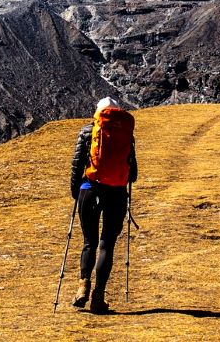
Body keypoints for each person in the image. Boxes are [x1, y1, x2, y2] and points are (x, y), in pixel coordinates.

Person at [69, 96, 138, 313]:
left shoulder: (88, 132)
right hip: (116, 194)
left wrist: (76, 193)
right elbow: (133, 174)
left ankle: (83, 287)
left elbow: (77, 165)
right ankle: (98, 297)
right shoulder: (127, 135)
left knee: (89, 241)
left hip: (89, 190)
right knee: (107, 244)